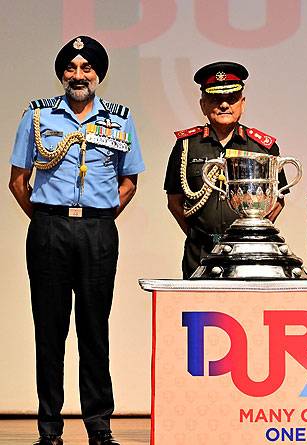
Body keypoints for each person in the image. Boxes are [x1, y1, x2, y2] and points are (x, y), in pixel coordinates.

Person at [8, 36, 144, 445]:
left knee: (94, 330)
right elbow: (18, 181)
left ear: (98, 74)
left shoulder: (120, 120)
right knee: (49, 332)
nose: (78, 75)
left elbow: (129, 182)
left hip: (98, 232)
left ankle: (100, 428)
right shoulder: (37, 116)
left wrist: (96, 219)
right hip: (49, 229)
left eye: (86, 68)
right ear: (62, 74)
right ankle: (49, 430)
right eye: (71, 68)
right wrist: (48, 219)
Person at [164, 61, 288, 278]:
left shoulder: (262, 147)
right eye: (215, 99)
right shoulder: (186, 146)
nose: (223, 105)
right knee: (199, 302)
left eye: (231, 99)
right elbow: (174, 201)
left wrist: (252, 233)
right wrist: (197, 234)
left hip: (249, 253)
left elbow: (278, 200)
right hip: (200, 252)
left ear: (242, 103)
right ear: (203, 105)